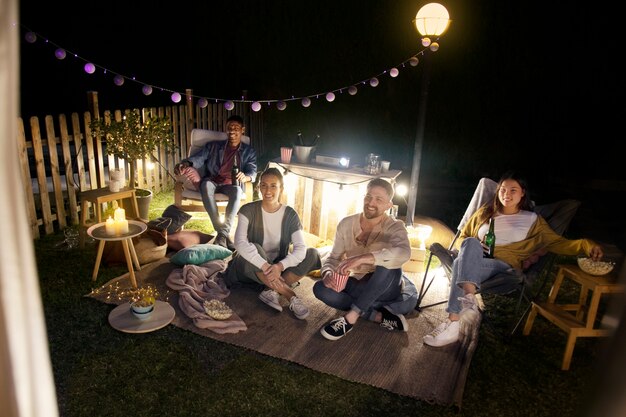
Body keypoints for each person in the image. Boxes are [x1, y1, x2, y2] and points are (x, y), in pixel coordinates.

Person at [423, 171, 605, 347]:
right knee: (470, 242)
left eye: (513, 190)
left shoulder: (533, 220)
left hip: (503, 268)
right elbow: (462, 238)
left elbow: (559, 243)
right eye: (502, 189)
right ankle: (467, 305)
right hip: (476, 261)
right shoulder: (484, 213)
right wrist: (476, 245)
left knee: (458, 264)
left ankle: (453, 320)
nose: (506, 194)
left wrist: (587, 245)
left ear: (522, 193)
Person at [313, 178, 417, 341]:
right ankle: (377, 315)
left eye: (379, 199)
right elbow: (333, 258)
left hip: (385, 284)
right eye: (368, 196)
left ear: (389, 205)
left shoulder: (395, 226)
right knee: (320, 289)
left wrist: (364, 258)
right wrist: (327, 273)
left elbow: (404, 253)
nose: (371, 203)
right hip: (357, 284)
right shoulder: (346, 223)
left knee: (387, 264)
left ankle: (351, 317)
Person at [223, 167, 321, 319]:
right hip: (248, 266)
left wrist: (279, 266)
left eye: (273, 185)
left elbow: (300, 248)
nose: (267, 190)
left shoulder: (290, 215)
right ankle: (290, 295)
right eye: (263, 185)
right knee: (254, 248)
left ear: (281, 188)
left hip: (276, 267)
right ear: (259, 187)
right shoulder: (247, 210)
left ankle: (272, 291)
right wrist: (266, 266)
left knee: (312, 254)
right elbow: (240, 243)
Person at [174, 115, 257, 251]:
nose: (232, 131)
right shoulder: (213, 146)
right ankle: (223, 235)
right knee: (205, 185)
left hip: (231, 184)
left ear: (242, 130)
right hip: (212, 180)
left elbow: (252, 172)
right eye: (229, 128)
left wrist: (245, 177)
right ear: (226, 130)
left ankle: (221, 235)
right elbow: (198, 159)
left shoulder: (249, 151)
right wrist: (186, 163)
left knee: (237, 191)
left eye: (236, 128)